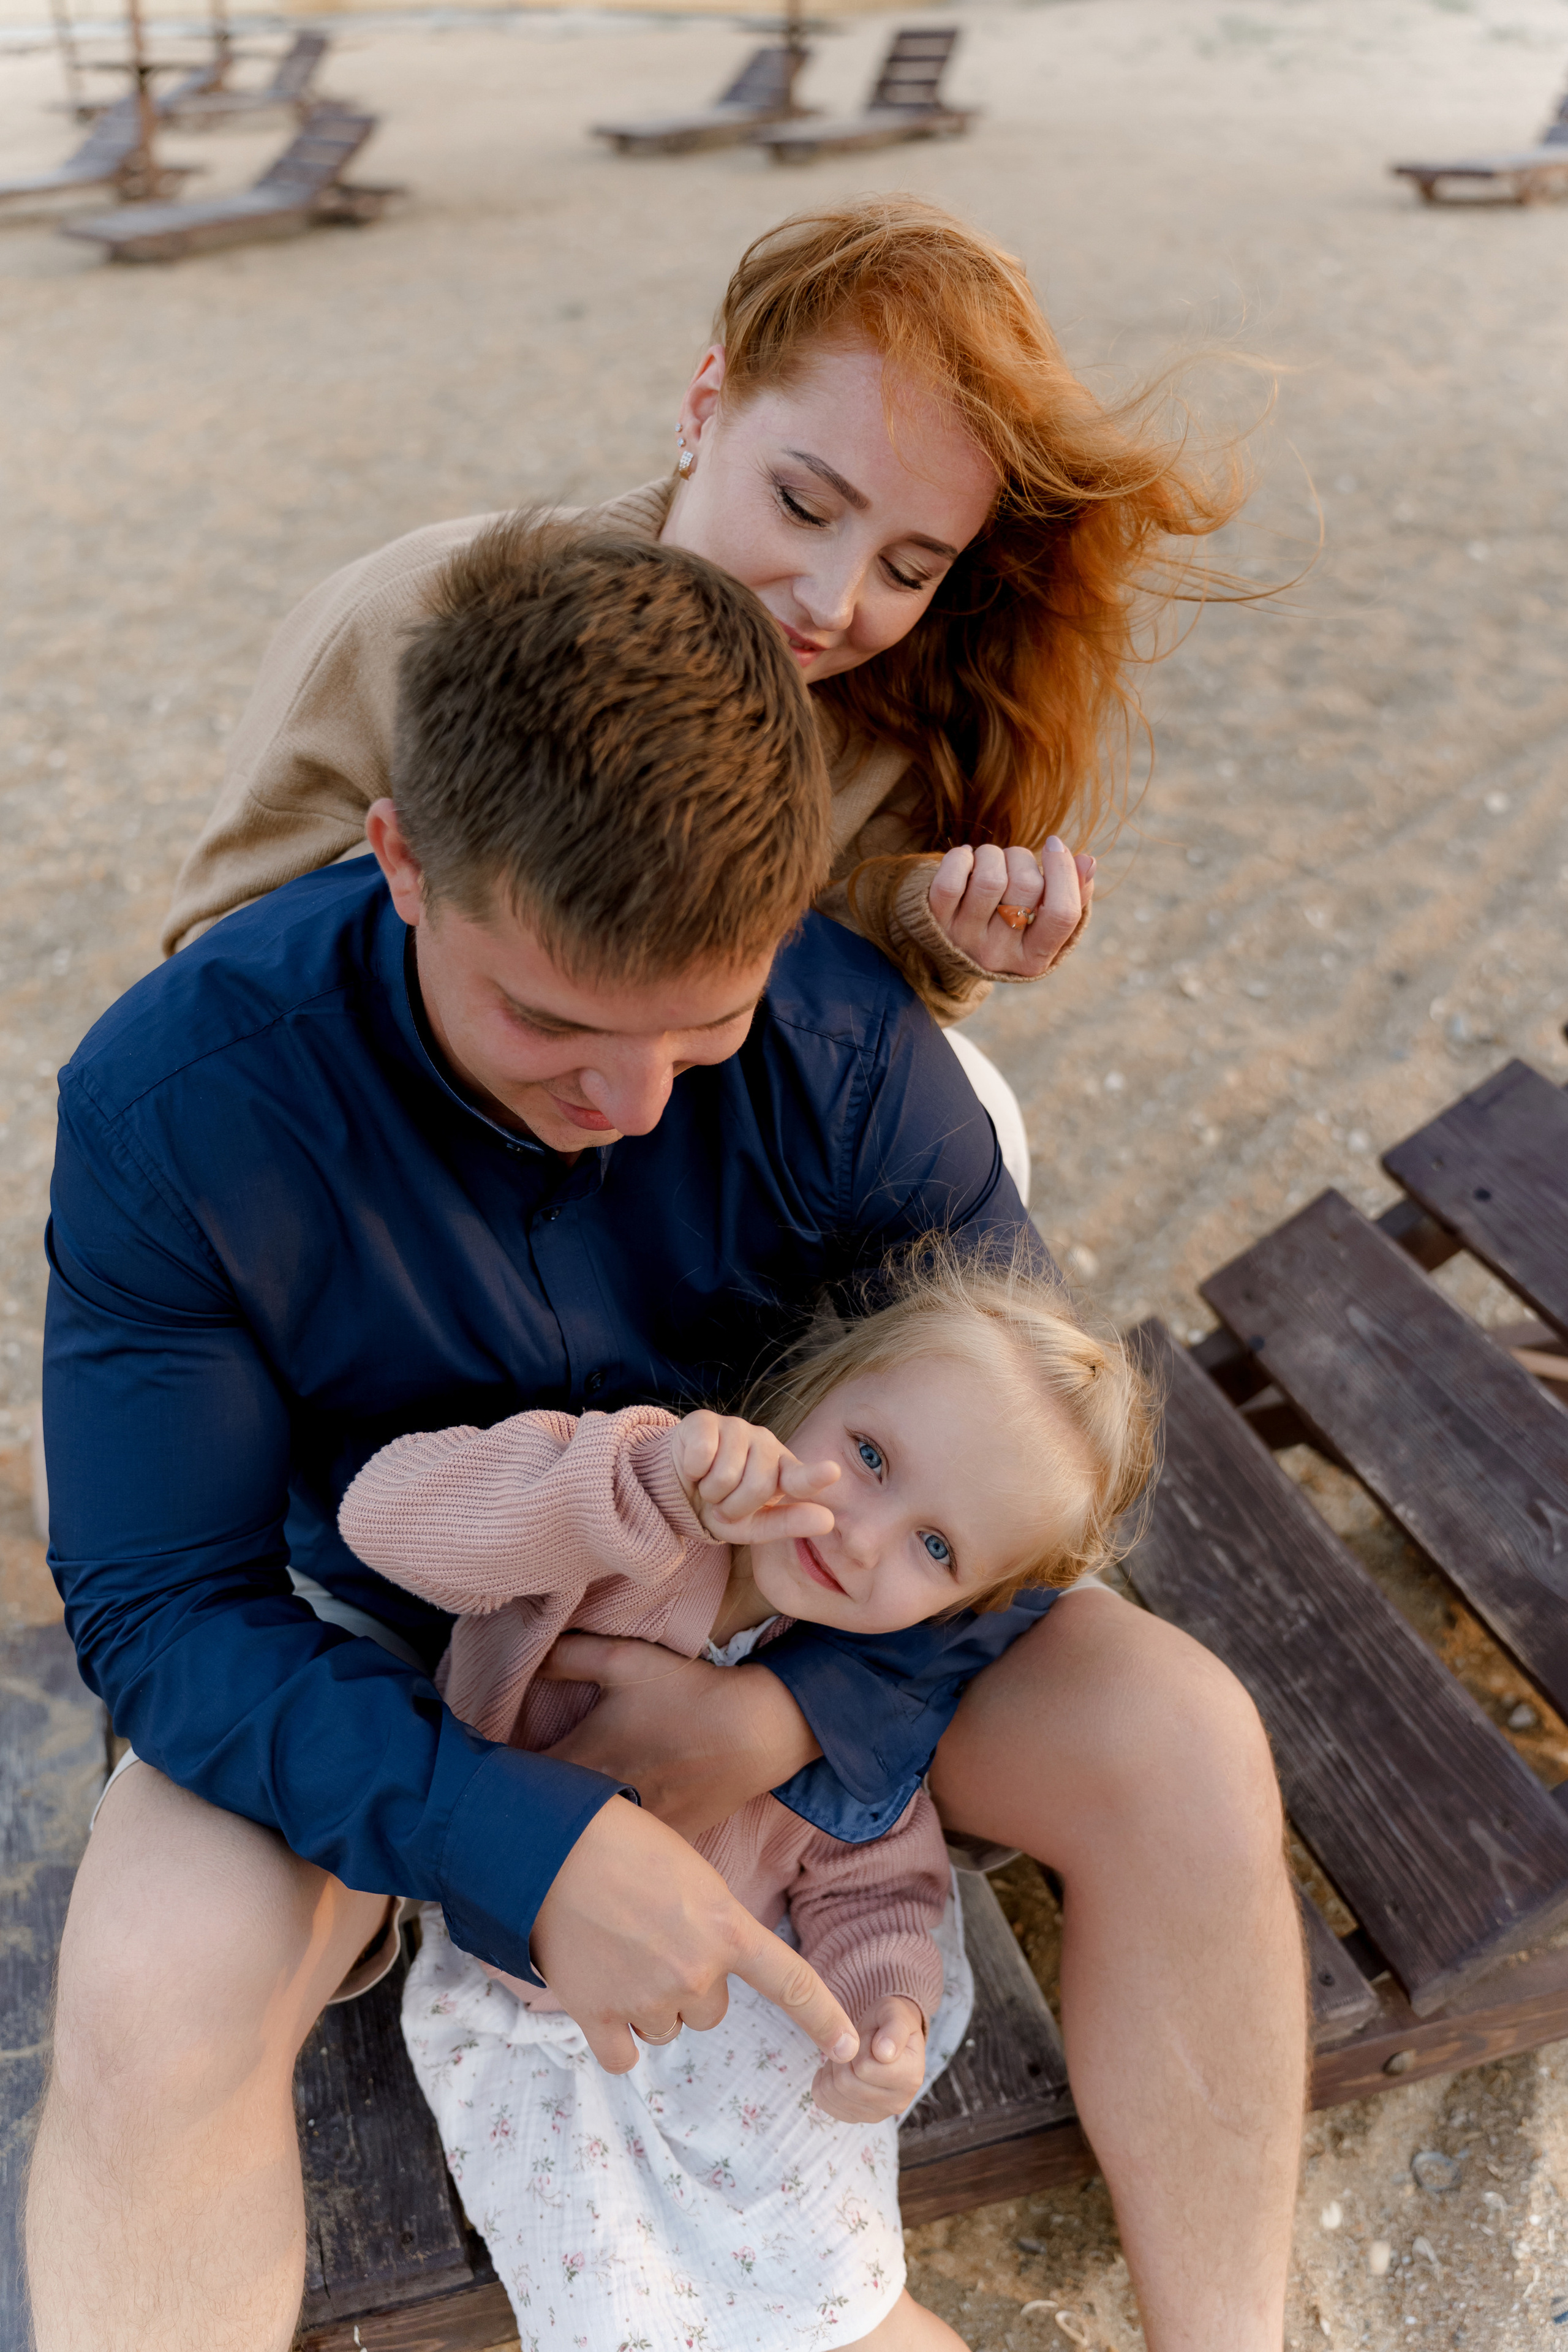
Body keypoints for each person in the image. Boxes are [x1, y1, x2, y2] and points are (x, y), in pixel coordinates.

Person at [29, 521, 1304, 2352]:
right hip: (379, 1636)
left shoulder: (853, 1048)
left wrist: (788, 1716)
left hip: (804, 1586)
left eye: (696, 1035)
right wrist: (518, 1834)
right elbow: (162, 1614)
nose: (621, 1107)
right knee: (152, 1982)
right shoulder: (174, 1104)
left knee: (1181, 1736)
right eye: (546, 1024)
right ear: (398, 857)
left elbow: (1031, 1469)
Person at [156, 194, 1246, 1203]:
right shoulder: (424, 611)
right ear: (706, 403)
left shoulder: (894, 706)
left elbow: (832, 1007)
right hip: (384, 1146)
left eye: (911, 570)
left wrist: (931, 922)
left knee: (980, 1115)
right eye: (803, 504)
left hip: (678, 1165)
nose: (832, 603)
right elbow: (213, 957)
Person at [337, 1240, 1155, 2352]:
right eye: (869, 1454)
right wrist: (649, 1475)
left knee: (842, 2285)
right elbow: (384, 1520)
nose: (863, 1541)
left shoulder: (842, 1701)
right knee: (616, 2302)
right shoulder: (634, 1508)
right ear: (810, 1390)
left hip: (735, 2012)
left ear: (965, 1602)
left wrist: (891, 2013)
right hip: (544, 2009)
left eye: (934, 1545)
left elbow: (876, 1888)